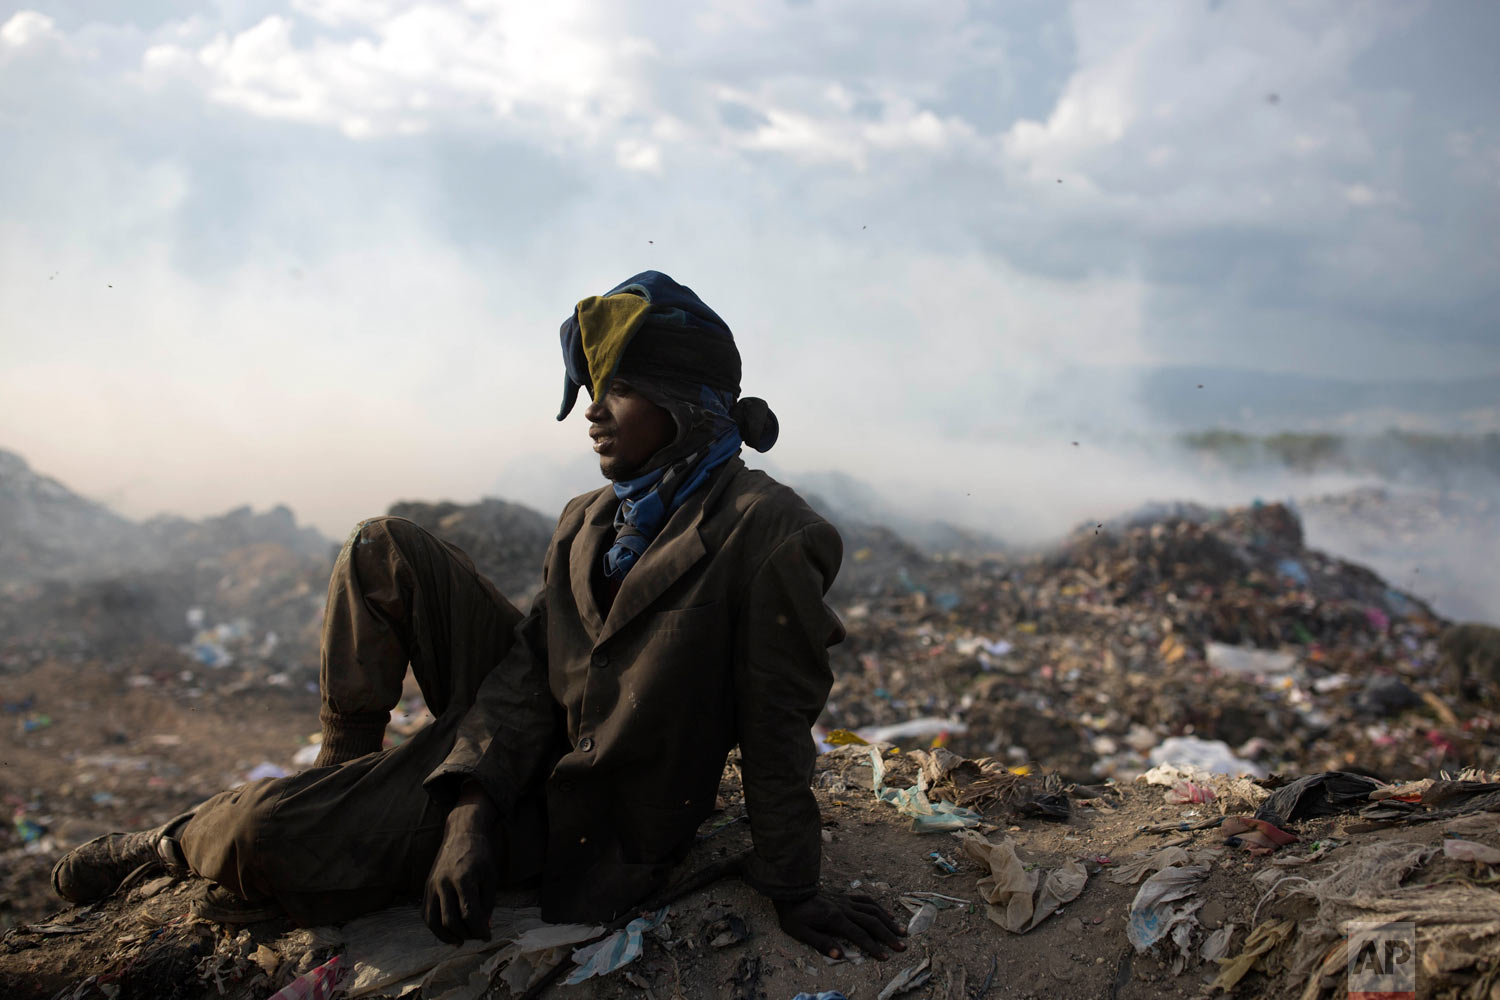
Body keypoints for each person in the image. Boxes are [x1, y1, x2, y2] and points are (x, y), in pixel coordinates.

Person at [51, 271, 905, 962]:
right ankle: (342, 772)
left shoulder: (770, 532)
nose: (596, 413)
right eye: (594, 390)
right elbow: (530, 674)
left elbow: (776, 723)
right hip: (526, 752)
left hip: (590, 813)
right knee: (382, 543)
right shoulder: (587, 519)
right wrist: (466, 811)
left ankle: (162, 843)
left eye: (622, 389)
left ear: (692, 406)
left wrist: (796, 888)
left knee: (262, 833)